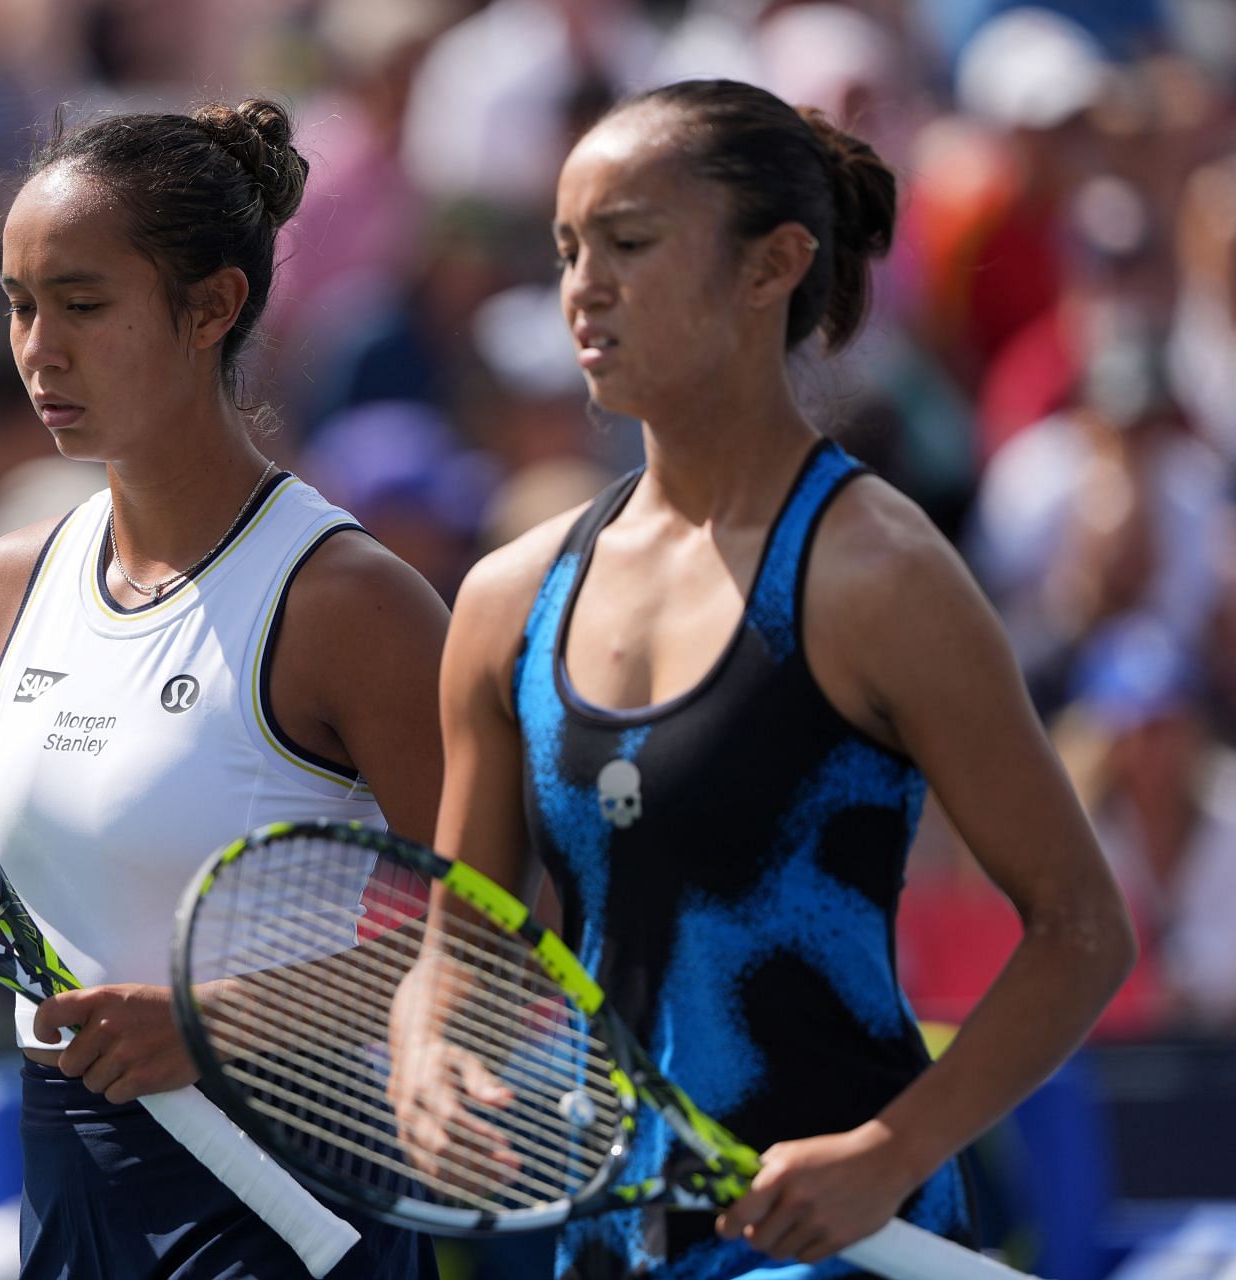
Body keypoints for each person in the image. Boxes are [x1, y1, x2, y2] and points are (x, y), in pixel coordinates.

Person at [423, 79, 1135, 1279]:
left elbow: (1082, 929)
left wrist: (886, 1150)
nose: (583, 286)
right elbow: (459, 943)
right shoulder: (506, 598)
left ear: (775, 264)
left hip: (845, 1248)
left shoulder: (882, 574)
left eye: (630, 243)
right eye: (567, 248)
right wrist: (427, 1049)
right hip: (601, 1245)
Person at [0, 99, 448, 1278]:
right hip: (68, 1191)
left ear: (212, 306)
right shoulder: (8, 584)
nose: (39, 348)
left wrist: (209, 1024)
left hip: (294, 1202)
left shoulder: (351, 602)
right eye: (21, 304)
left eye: (83, 304)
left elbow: (505, 942)